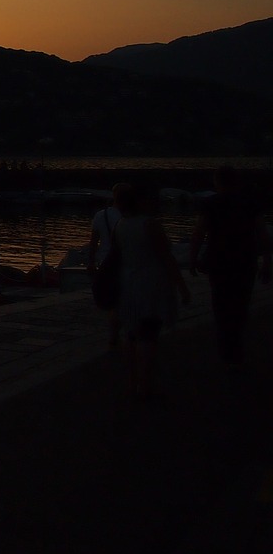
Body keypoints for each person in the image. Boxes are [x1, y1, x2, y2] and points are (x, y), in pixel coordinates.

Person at [190, 165, 272, 367]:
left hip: (218, 261)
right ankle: (235, 346)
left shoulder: (210, 203)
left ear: (217, 182)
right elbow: (263, 234)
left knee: (221, 304)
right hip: (245, 260)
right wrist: (267, 262)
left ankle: (226, 347)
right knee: (241, 304)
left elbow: (199, 233)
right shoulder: (250, 203)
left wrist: (193, 258)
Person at [114, 183, 190, 399]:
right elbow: (167, 257)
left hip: (127, 283)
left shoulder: (120, 224)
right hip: (150, 284)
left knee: (130, 334)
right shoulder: (150, 225)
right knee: (147, 335)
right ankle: (145, 384)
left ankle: (132, 381)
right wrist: (182, 287)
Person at [88, 183, 130, 348]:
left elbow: (93, 242)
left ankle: (114, 335)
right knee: (123, 299)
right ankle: (123, 333)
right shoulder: (129, 216)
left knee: (113, 302)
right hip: (125, 262)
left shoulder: (100, 215)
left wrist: (91, 262)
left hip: (105, 262)